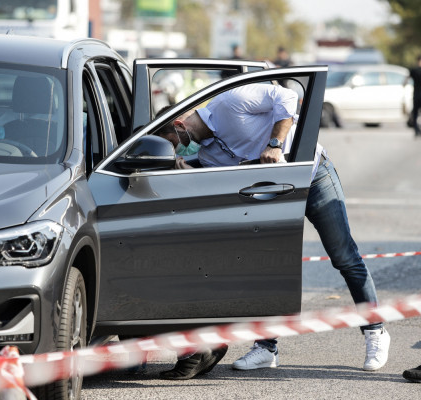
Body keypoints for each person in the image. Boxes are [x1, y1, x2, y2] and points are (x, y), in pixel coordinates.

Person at [154, 82, 390, 378]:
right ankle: (266, 348)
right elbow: (224, 180)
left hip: (312, 176)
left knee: (344, 257)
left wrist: (275, 144)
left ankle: (375, 332)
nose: (183, 147)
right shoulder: (208, 153)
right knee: (266, 266)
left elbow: (288, 96)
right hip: (272, 193)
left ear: (179, 123)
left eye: (177, 142)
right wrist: (189, 172)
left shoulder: (230, 103)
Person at [409, 55, 421, 137]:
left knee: (415, 113)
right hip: (417, 95)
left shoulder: (413, 70)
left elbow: (406, 80)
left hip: (416, 95)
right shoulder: (414, 70)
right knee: (415, 113)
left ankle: (417, 130)